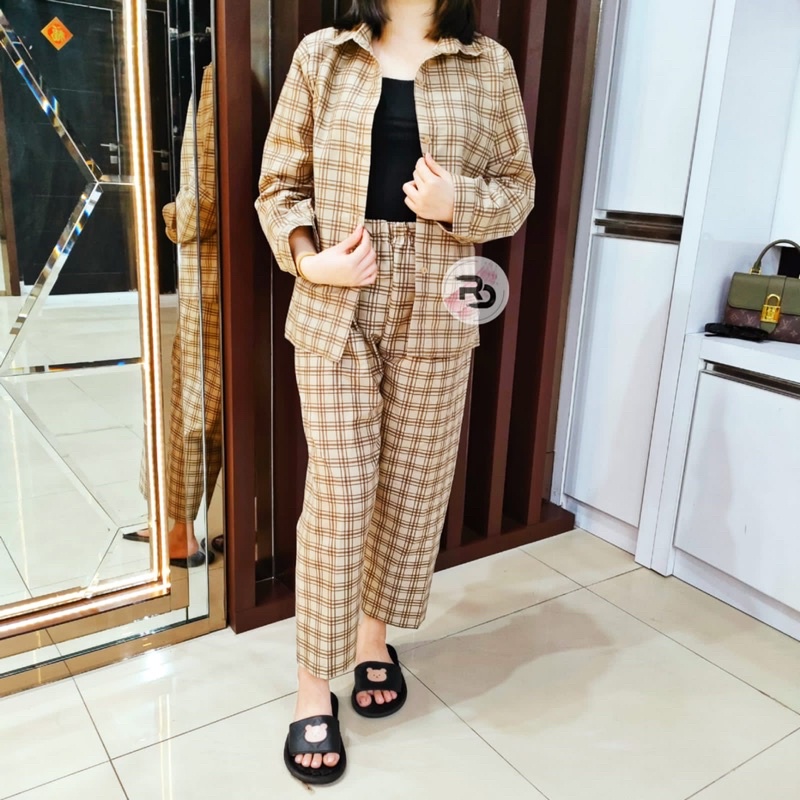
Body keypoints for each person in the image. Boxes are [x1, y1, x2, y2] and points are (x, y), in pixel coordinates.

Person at [256, 0, 534, 785]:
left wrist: (458, 205)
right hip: (339, 292)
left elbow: (517, 190)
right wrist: (310, 262)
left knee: (412, 489)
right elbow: (280, 185)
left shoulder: (489, 64)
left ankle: (372, 639)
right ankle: (314, 685)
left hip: (443, 294)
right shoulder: (323, 55)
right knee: (341, 495)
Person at [131, 64, 223, 568]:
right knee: (206, 402)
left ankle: (179, 532)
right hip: (233, 275)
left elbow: (202, 206)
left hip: (208, 276)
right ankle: (183, 523)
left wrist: (168, 217)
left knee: (194, 404)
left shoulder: (216, 77)